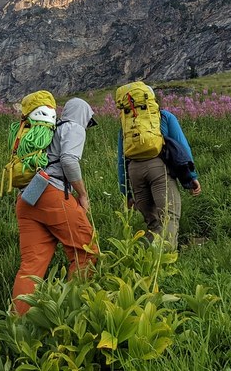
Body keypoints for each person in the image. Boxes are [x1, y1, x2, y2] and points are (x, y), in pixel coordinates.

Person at [11, 96, 98, 315]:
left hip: (27, 197)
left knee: (31, 267)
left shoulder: (49, 130)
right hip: (53, 194)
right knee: (86, 252)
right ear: (83, 115)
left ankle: (18, 322)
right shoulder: (73, 127)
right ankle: (73, 312)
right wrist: (83, 195)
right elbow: (69, 160)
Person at [117, 85, 201, 250]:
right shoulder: (165, 117)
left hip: (134, 172)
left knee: (153, 222)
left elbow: (121, 160)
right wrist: (191, 177)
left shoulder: (127, 126)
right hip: (158, 168)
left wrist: (125, 192)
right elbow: (182, 148)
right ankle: (165, 263)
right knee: (169, 217)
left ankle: (148, 261)